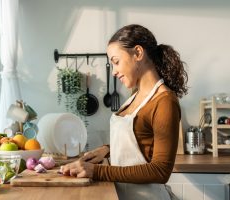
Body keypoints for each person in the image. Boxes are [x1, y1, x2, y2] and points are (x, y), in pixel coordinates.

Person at [61, 24, 188, 200]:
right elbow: (141, 144)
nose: (113, 72)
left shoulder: (164, 101)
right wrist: (107, 150)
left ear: (138, 53)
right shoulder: (135, 96)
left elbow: (160, 171)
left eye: (116, 61)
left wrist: (97, 171)